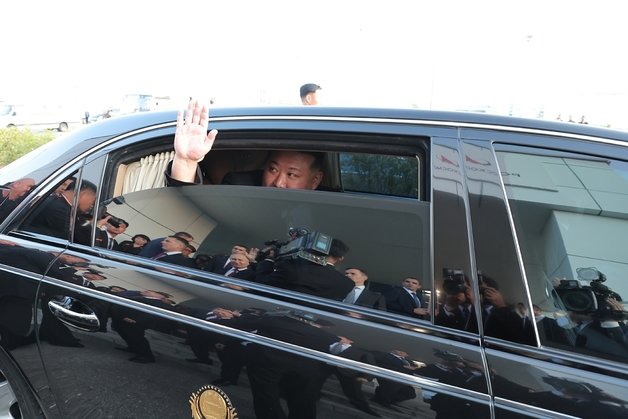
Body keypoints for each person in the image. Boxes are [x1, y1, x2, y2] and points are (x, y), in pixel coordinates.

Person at [166, 100, 324, 190]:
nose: (278, 183)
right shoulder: (240, 189)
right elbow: (186, 205)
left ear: (315, 180)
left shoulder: (332, 208)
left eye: (292, 174)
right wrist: (186, 161)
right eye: (273, 169)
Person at [254, 238, 354, 300]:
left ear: (314, 248)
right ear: (341, 258)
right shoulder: (347, 284)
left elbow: (262, 283)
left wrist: (269, 259)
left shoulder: (291, 267)